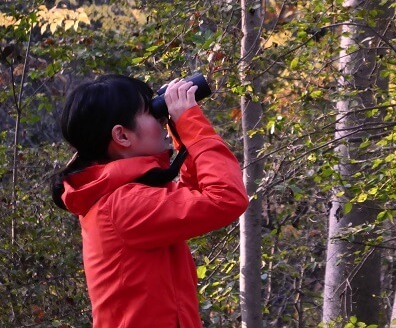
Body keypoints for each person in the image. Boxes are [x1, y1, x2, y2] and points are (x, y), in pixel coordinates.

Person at [51, 74, 249, 328]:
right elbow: (226, 198)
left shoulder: (120, 196)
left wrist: (182, 134)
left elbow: (195, 194)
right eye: (150, 112)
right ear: (122, 136)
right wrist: (193, 126)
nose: (160, 119)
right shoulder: (123, 204)